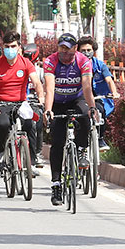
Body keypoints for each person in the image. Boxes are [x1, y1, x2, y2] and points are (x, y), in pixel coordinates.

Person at [43, 32, 96, 206]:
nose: (64, 53)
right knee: (57, 142)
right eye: (61, 48)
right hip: (58, 102)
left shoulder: (83, 61)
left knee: (85, 117)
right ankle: (56, 184)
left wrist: (92, 107)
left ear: (75, 49)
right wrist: (48, 110)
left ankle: (81, 149)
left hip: (77, 98)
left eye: (68, 49)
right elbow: (49, 89)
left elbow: (87, 88)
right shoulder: (51, 61)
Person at [0, 32, 44, 168]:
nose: (10, 49)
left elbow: (36, 82)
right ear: (3, 47)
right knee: (2, 124)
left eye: (13, 46)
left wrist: (41, 97)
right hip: (2, 103)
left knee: (30, 123)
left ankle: (31, 159)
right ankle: (0, 152)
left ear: (19, 47)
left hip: (21, 104)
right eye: (7, 46)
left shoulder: (26, 63)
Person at [77, 36, 120, 150]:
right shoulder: (75, 66)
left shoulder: (100, 66)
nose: (86, 53)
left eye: (89, 50)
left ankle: (100, 139)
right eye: (83, 51)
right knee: (81, 116)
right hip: (80, 98)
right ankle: (80, 144)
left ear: (93, 51)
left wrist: (114, 92)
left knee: (100, 111)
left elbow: (109, 80)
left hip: (97, 97)